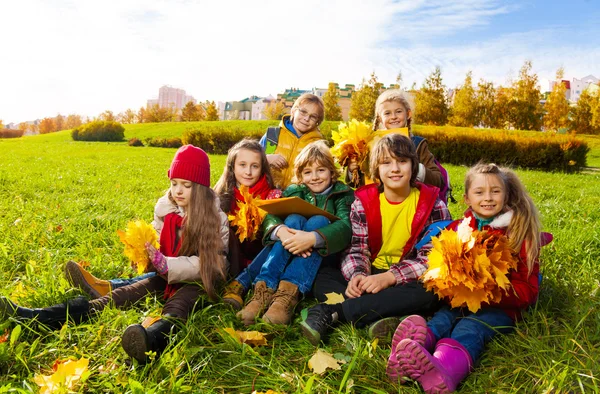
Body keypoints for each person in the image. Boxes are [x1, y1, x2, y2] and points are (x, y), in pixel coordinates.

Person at [1, 145, 229, 363]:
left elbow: (212, 265)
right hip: (165, 275)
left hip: (199, 283)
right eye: (174, 183)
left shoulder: (215, 219)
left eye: (186, 185)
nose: (178, 190)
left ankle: (151, 340)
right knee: (124, 294)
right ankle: (37, 316)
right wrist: (145, 255)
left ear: (199, 188)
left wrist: (167, 265)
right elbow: (157, 239)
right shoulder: (166, 208)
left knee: (179, 305)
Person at [387, 163, 551, 393]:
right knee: (442, 319)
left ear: (506, 196)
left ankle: (444, 369)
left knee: (470, 328)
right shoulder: (459, 229)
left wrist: (491, 292)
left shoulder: (520, 234)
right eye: (479, 192)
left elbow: (528, 291)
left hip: (500, 308)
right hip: (461, 301)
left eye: (495, 191)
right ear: (466, 198)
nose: (488, 198)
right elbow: (439, 265)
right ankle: (411, 352)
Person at [65, 139, 281, 301]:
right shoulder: (221, 195)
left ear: (263, 168)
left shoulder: (268, 196)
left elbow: (216, 254)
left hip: (231, 264)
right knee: (160, 278)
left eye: (255, 166)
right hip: (189, 259)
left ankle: (108, 288)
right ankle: (107, 287)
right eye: (242, 165)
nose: (249, 171)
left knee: (174, 280)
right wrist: (147, 253)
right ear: (232, 167)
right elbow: (163, 234)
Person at [300, 133, 452, 346]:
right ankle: (382, 315)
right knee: (323, 273)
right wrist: (358, 276)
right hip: (370, 272)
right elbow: (357, 248)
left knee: (433, 291)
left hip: (406, 277)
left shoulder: (433, 204)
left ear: (413, 166)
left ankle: (334, 311)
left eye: (402, 161)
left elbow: (432, 258)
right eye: (386, 163)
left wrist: (390, 278)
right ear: (377, 170)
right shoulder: (364, 201)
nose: (395, 169)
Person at [237, 140, 354, 326]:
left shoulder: (343, 194)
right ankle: (264, 290)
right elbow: (271, 216)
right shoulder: (295, 191)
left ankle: (287, 296)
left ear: (332, 172)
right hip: (289, 248)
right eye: (308, 172)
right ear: (300, 175)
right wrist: (281, 231)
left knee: (319, 221)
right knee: (291, 220)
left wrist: (311, 238)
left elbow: (346, 227)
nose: (314, 177)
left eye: (321, 170)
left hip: (323, 256)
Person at [345, 89, 443, 190]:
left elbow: (438, 181)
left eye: (398, 111)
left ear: (408, 114)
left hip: (410, 201)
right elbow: (358, 184)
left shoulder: (418, 144)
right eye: (387, 113)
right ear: (379, 118)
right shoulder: (368, 145)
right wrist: (353, 171)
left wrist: (414, 168)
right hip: (377, 202)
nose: (393, 117)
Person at [260, 93, 325, 189]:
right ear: (293, 111)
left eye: (313, 117)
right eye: (303, 112)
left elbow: (323, 176)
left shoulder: (318, 144)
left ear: (317, 122)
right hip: (266, 193)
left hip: (298, 198)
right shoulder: (273, 135)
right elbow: (252, 160)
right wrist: (267, 158)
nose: (306, 119)